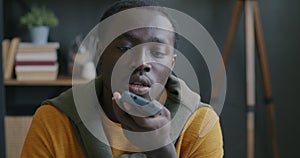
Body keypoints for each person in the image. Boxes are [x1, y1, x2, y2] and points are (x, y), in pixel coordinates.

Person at [21, 0, 224, 157]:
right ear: (100, 54)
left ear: (172, 63)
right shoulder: (54, 119)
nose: (141, 62)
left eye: (157, 52)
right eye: (125, 48)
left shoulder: (200, 125)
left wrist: (161, 150)